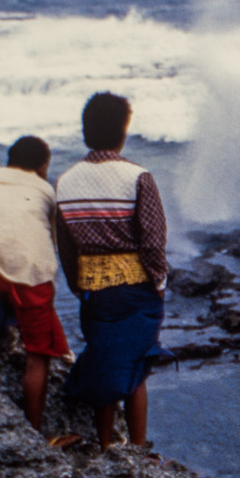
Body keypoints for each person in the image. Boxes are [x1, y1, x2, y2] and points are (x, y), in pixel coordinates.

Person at [53, 92, 168, 453]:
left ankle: (105, 445)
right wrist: (159, 282)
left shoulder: (66, 182)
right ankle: (136, 449)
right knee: (137, 365)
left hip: (92, 290)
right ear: (123, 130)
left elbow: (66, 248)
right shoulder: (138, 177)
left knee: (103, 360)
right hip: (136, 287)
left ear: (86, 132)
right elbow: (152, 241)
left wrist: (77, 286)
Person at [0, 135, 72, 433]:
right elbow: (51, 243)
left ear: (9, 160)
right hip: (31, 274)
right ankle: (33, 429)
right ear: (44, 166)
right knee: (38, 356)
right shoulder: (46, 189)